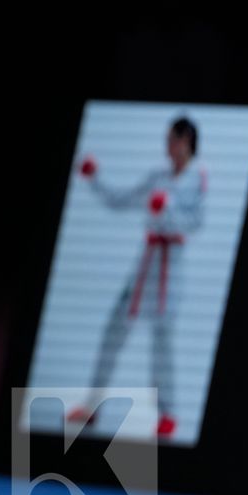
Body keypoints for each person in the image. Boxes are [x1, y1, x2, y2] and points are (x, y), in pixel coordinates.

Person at [71, 117, 206, 439]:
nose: (168, 146)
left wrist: (167, 212)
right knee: (113, 333)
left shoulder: (196, 180)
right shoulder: (157, 177)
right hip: (146, 266)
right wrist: (95, 179)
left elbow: (195, 222)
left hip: (170, 268)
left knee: (162, 343)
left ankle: (168, 414)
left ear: (186, 142)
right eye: (167, 139)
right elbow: (122, 200)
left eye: (173, 139)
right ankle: (92, 405)